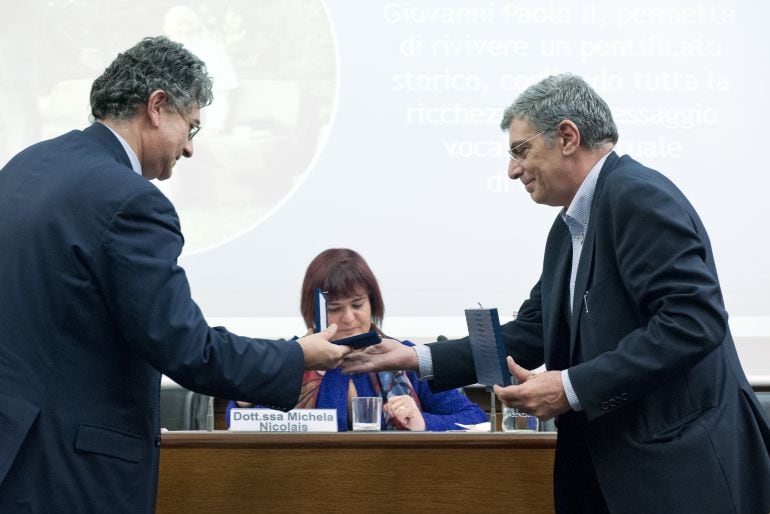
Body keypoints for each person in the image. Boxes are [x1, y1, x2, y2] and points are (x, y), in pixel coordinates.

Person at [343, 74, 770, 512]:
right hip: (607, 471)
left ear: (567, 136)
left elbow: (693, 322)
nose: (511, 170)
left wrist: (570, 386)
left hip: (677, 470)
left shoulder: (636, 196)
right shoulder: (567, 229)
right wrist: (417, 358)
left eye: (520, 150)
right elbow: (533, 331)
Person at [0, 36, 349, 512]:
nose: (189, 149)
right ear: (157, 107)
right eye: (192, 128)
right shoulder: (130, 200)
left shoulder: (25, 166)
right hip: (73, 473)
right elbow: (186, 348)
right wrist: (294, 357)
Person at [227, 248, 487, 431]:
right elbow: (237, 420)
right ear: (313, 310)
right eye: (335, 308)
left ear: (373, 304)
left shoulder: (405, 356)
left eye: (357, 304)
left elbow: (475, 419)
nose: (349, 318)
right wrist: (244, 395)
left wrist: (422, 422)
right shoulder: (288, 358)